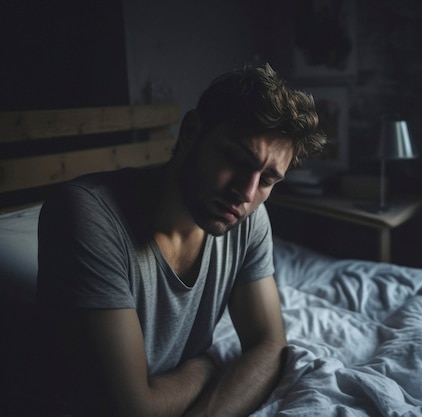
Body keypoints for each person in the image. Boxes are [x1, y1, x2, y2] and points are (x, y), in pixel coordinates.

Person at [37, 64, 326, 417]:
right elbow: (132, 409)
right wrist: (204, 369)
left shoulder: (248, 219)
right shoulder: (88, 213)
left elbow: (269, 344)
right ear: (191, 132)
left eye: (266, 180)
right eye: (237, 159)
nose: (246, 193)